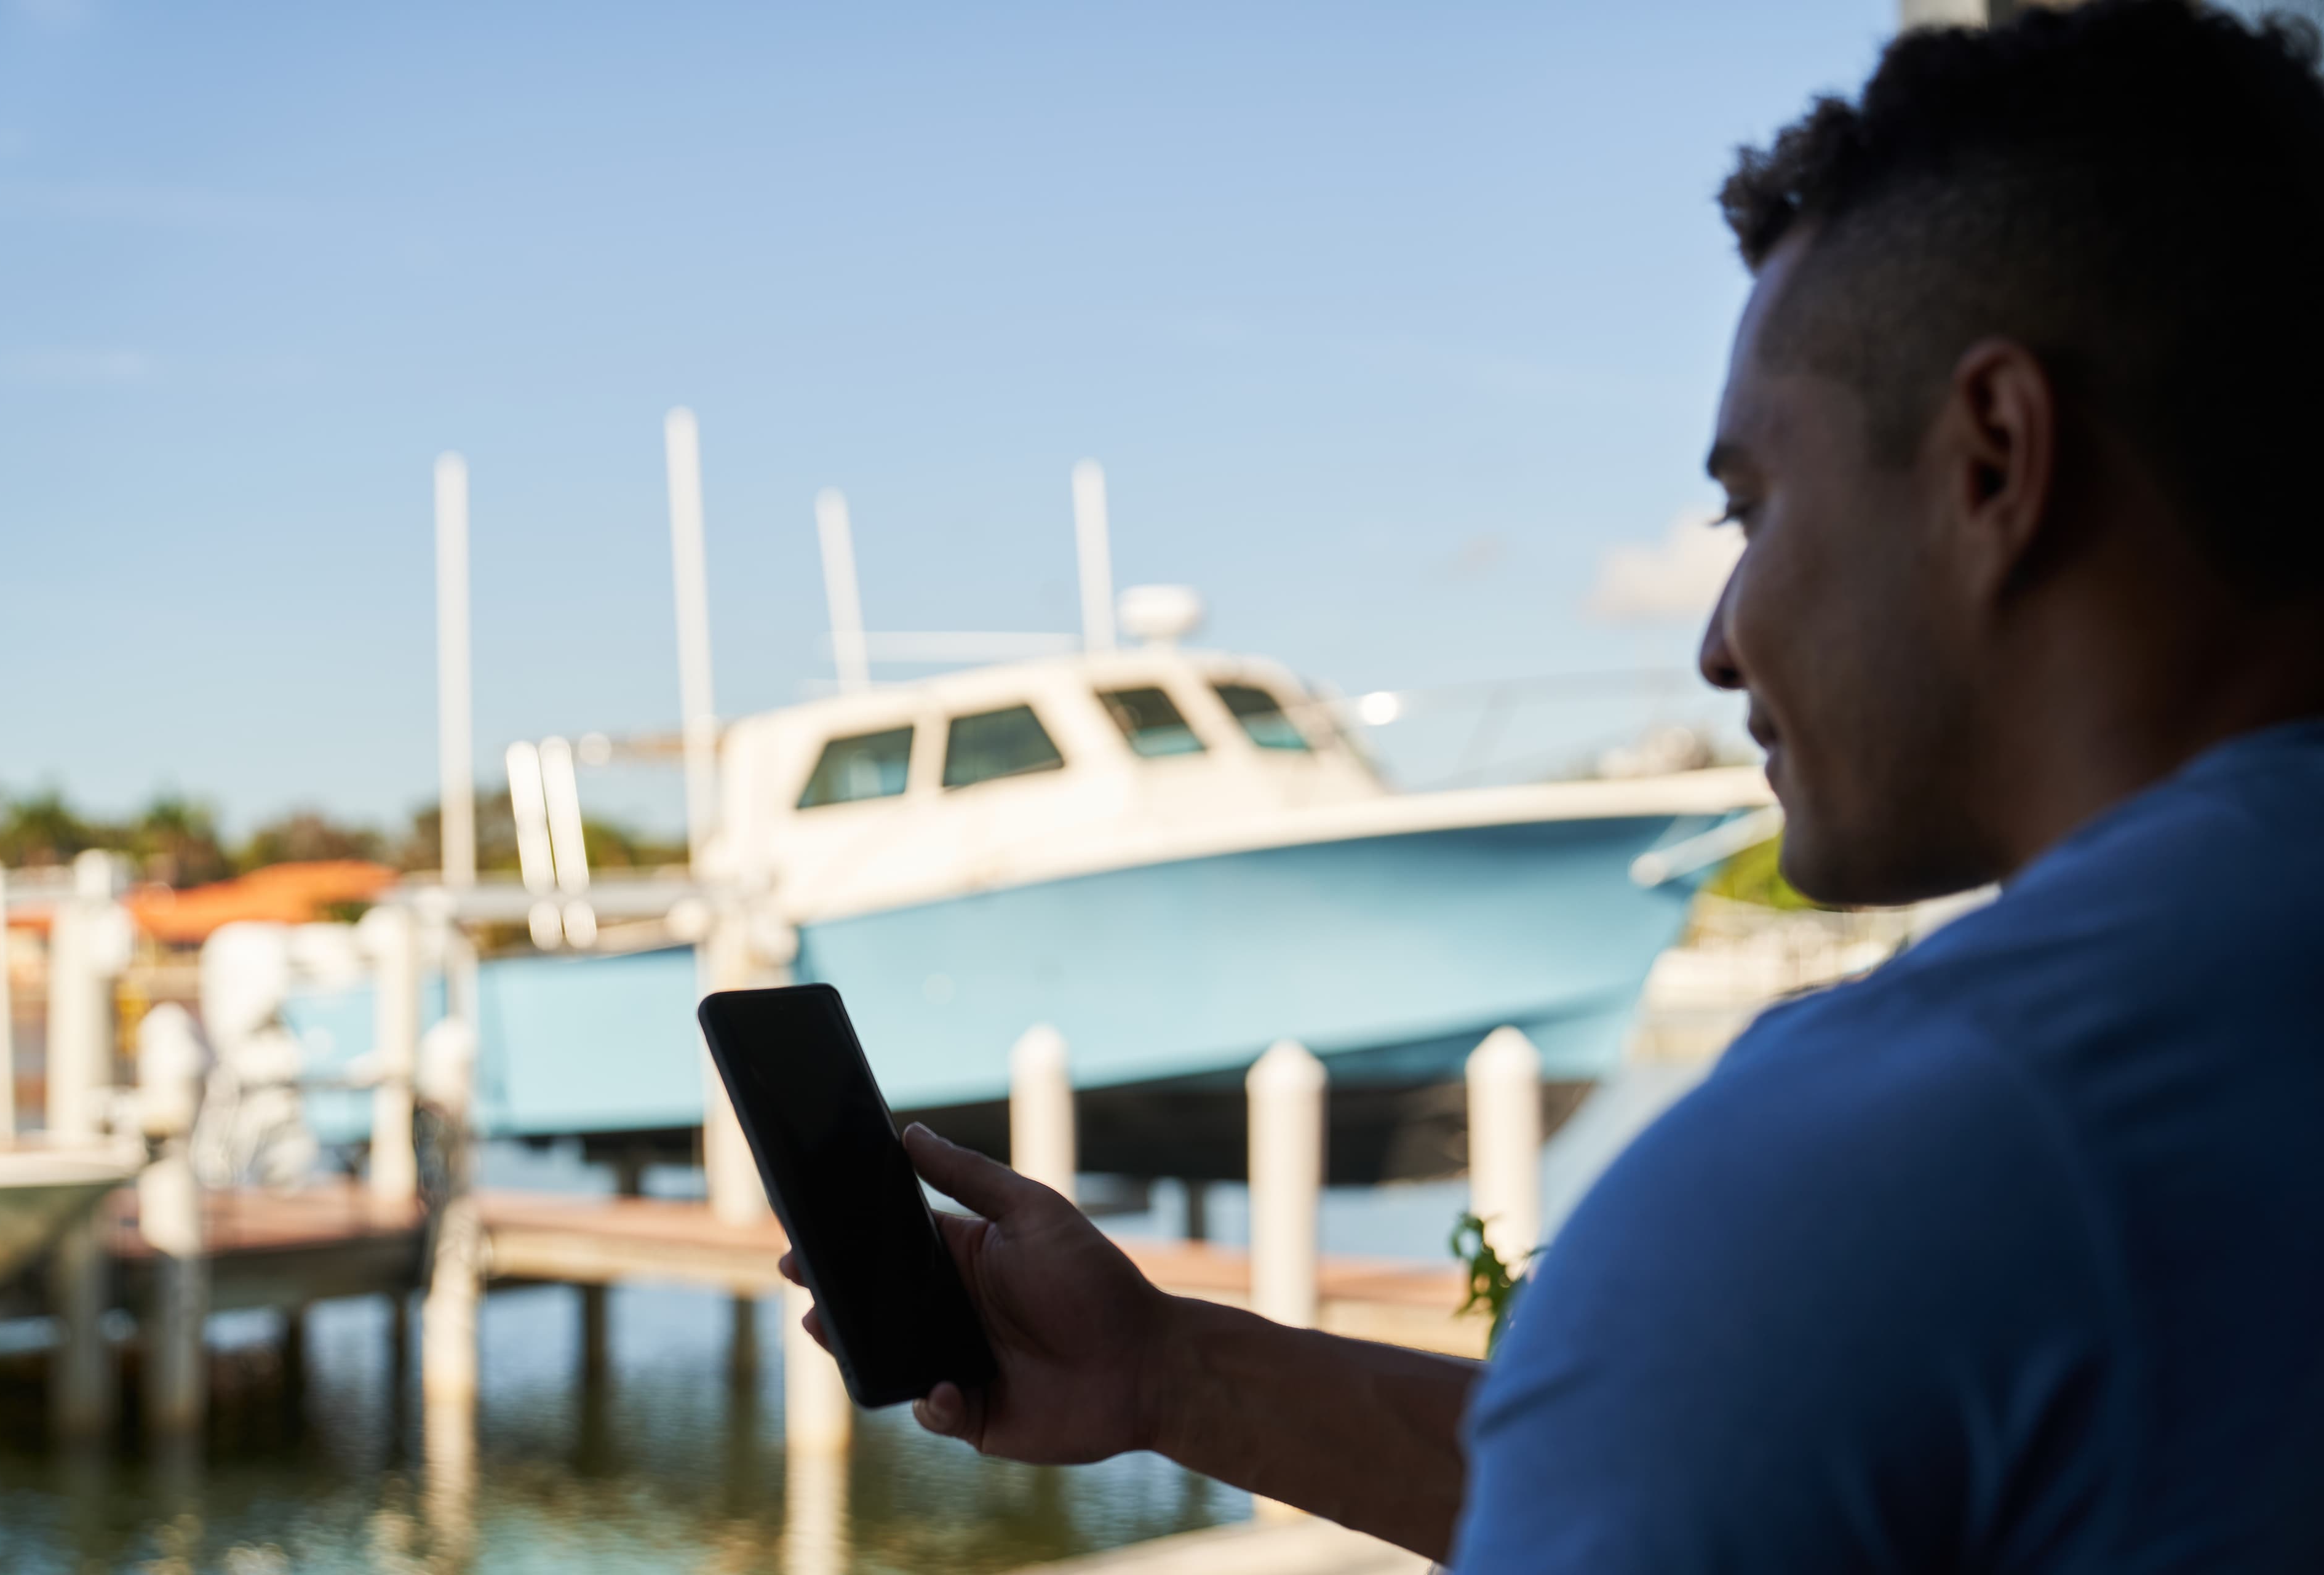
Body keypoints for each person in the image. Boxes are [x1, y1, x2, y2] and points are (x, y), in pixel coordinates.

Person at [784, 2, 2324, 1566]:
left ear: (1993, 459)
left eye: (1748, 506)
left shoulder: (1888, 1156)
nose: (1720, 646)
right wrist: (1178, 1371)